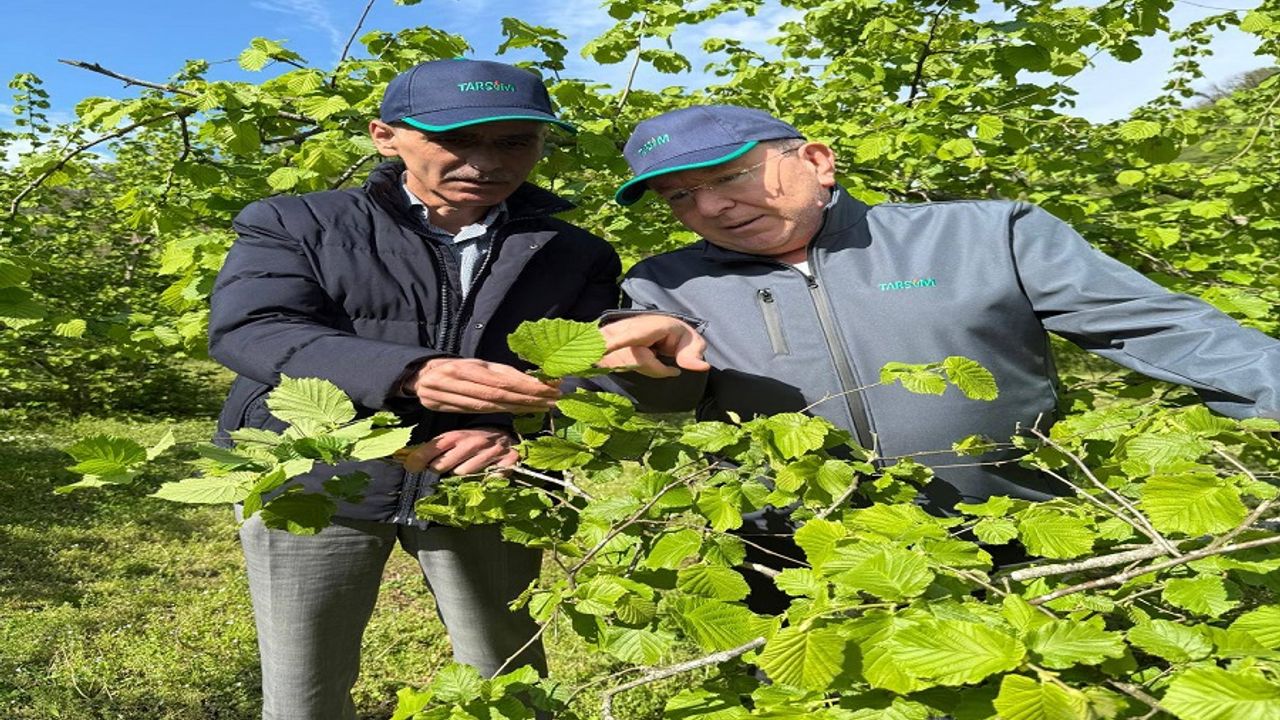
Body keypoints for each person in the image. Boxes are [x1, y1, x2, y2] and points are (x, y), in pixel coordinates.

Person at [602, 104, 1280, 608]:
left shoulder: (987, 234)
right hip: (799, 566)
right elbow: (662, 400)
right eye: (680, 196)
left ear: (815, 159)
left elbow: (1170, 330)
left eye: (731, 175)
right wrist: (646, 371)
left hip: (1017, 542)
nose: (713, 206)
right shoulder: (663, 283)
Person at [207, 59, 703, 720]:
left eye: (513, 142)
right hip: (319, 474)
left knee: (505, 669)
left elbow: (583, 370)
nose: (486, 161)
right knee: (304, 687)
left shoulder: (573, 251)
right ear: (386, 136)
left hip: (488, 485)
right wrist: (409, 373)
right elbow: (253, 329)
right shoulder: (297, 222)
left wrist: (516, 432)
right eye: (456, 138)